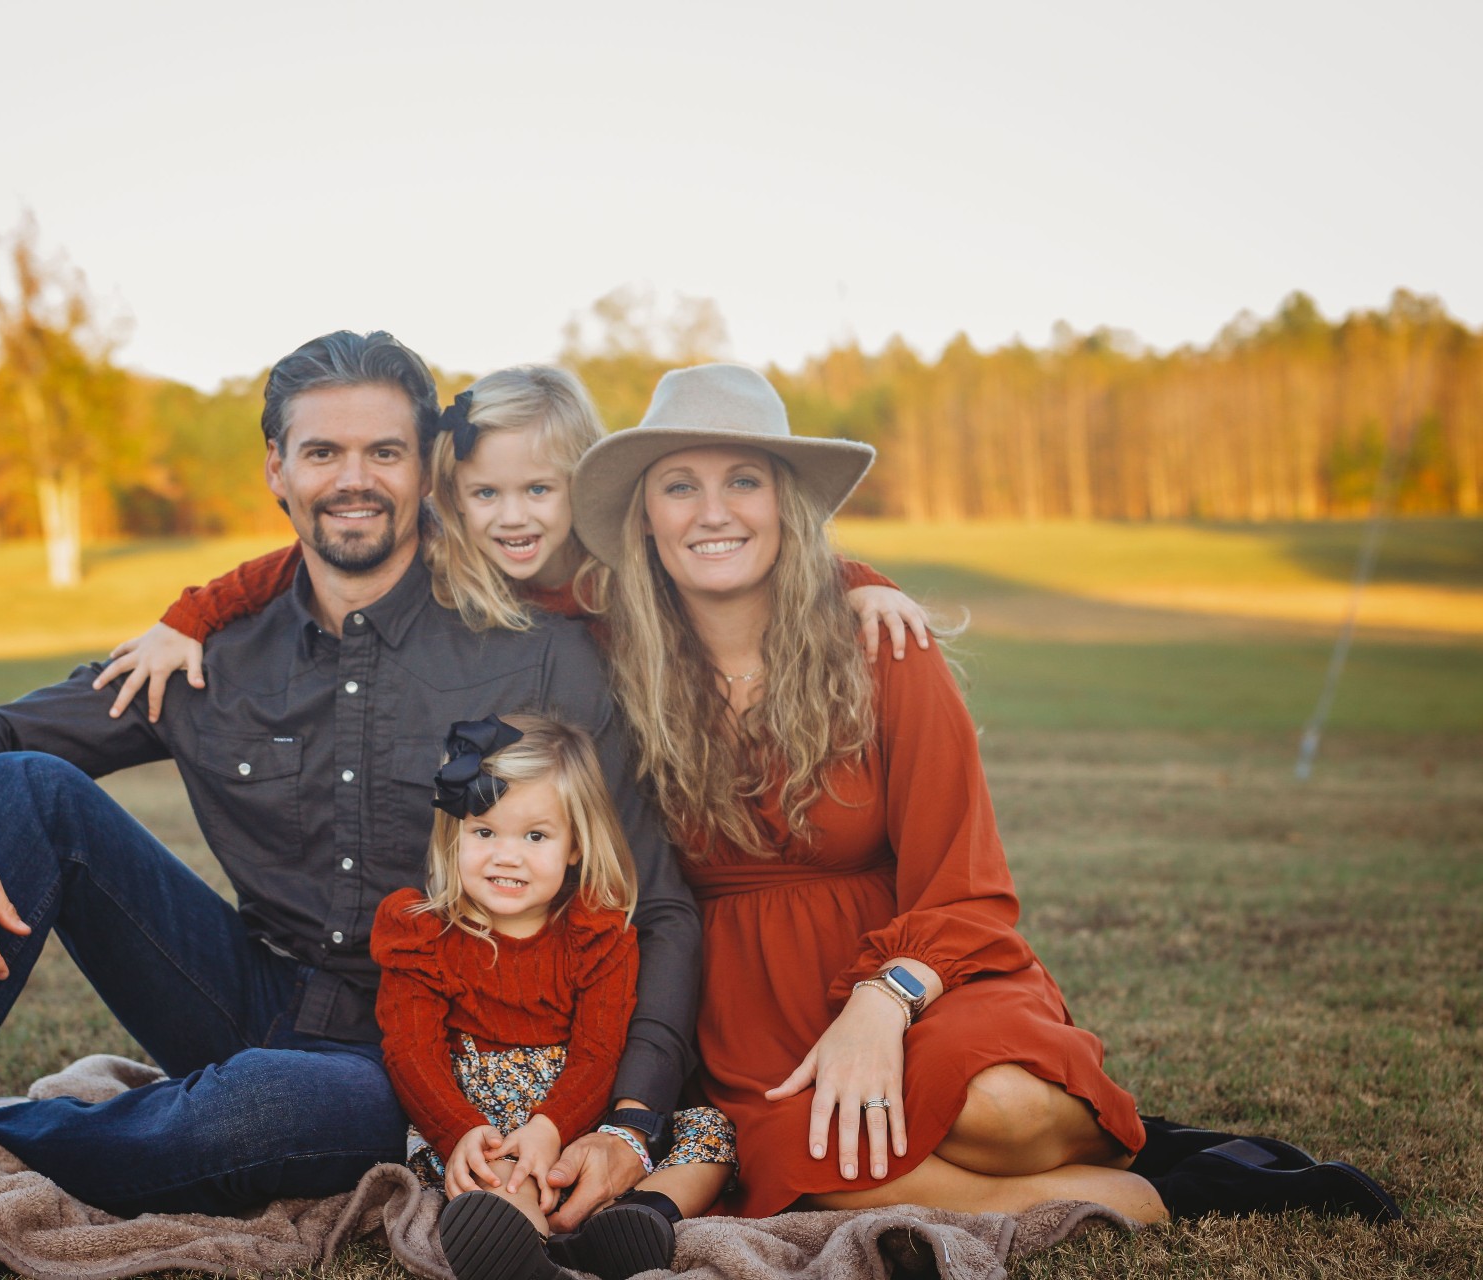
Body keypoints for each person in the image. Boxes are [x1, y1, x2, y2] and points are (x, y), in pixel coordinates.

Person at [0, 331, 702, 1262]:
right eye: (322, 451)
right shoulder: (207, 651)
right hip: (243, 985)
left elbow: (655, 903)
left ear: (427, 469)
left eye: (383, 451)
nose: (352, 477)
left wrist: (638, 1117)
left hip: (417, 1043)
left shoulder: (540, 656)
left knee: (281, 1105)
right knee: (23, 785)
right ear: (278, 468)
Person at [567, 362, 1402, 1226]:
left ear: (787, 505)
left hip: (918, 965)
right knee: (813, 1160)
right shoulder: (610, 662)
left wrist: (881, 1002)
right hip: (746, 1009)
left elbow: (969, 885)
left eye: (743, 479)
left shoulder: (883, 645)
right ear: (645, 518)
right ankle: (1182, 1189)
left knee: (1002, 1110)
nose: (713, 511)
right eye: (679, 485)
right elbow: (506, 586)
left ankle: (1102, 1159)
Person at [91, 363, 931, 725]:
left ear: (585, 487)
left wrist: (862, 580)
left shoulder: (622, 570)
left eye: (539, 491)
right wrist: (187, 620)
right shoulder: (444, 559)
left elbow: (755, 560)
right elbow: (285, 567)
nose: (512, 518)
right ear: (452, 495)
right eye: (485, 494)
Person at [374, 715, 735, 1280]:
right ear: (456, 834)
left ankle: (641, 1216)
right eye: (484, 832)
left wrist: (553, 1128)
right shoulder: (423, 933)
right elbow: (410, 1051)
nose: (506, 856)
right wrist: (459, 1131)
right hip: (483, 1125)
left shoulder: (596, 933)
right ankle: (525, 1250)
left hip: (578, 1117)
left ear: (575, 846)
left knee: (711, 1136)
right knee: (504, 1179)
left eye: (535, 836)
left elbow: (600, 1052)